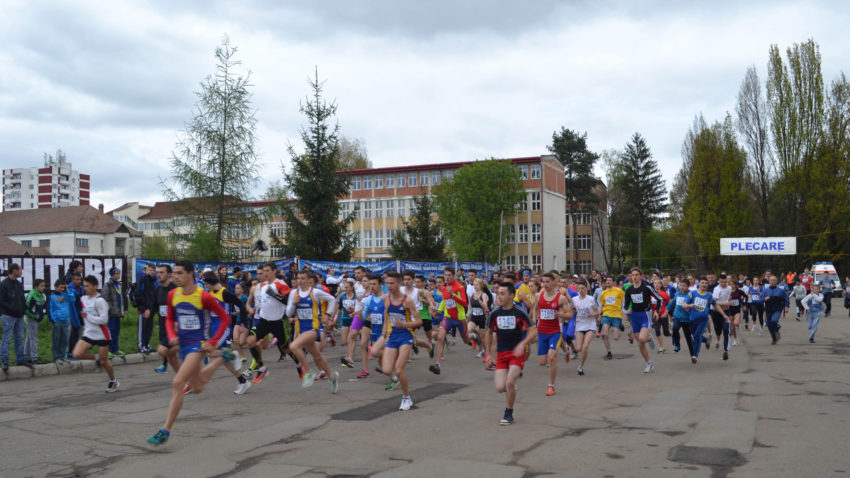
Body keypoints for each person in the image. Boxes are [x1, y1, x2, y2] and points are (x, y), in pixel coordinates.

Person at [146, 260, 233, 447]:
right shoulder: (173, 295)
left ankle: (165, 431)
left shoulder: (203, 296)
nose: (174, 276)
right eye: (173, 273)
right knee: (198, 386)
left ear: (190, 274)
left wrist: (212, 342)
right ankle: (220, 360)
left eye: (178, 273)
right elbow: (169, 318)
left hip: (198, 345)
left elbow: (226, 318)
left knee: (178, 383)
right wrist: (171, 336)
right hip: (183, 344)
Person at [487, 282, 536, 425]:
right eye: (498, 294)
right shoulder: (495, 313)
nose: (499, 296)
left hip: (516, 353)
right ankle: (512, 387)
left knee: (509, 382)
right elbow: (489, 332)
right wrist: (489, 354)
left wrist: (523, 343)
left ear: (511, 295)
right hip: (501, 354)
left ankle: (508, 413)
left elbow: (533, 330)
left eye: (502, 294)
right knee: (500, 387)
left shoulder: (519, 312)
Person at [285, 270, 339, 392]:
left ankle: (309, 372)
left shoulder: (315, 292)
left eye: (303, 278)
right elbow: (288, 313)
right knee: (317, 355)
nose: (300, 281)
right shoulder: (293, 293)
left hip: (315, 328)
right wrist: (294, 303)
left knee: (293, 346)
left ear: (310, 281)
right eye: (298, 278)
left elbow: (332, 300)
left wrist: (328, 315)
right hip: (302, 330)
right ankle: (332, 376)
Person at [379, 271, 422, 410]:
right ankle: (398, 383)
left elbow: (419, 321)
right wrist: (385, 330)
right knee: (386, 369)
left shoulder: (407, 301)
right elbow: (386, 315)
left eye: (392, 283)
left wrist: (405, 325)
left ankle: (406, 397)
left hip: (406, 336)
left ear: (399, 283)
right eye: (387, 283)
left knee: (398, 368)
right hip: (392, 336)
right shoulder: (385, 298)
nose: (389, 286)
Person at [72, 275, 119, 392]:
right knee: (77, 354)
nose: (85, 288)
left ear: (95, 286)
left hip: (102, 334)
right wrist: (84, 323)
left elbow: (104, 320)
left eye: (88, 286)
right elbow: (84, 314)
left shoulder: (100, 301)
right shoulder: (83, 299)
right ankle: (96, 357)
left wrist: (89, 317)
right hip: (89, 333)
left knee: (104, 362)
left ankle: (113, 380)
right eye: (84, 286)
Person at [429, 267, 468, 375]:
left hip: (460, 319)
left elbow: (465, 303)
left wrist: (453, 295)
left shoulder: (459, 287)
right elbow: (444, 301)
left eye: (449, 275)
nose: (447, 277)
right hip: (448, 317)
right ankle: (437, 364)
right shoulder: (444, 288)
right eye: (445, 275)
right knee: (440, 337)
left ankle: (474, 336)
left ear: (454, 276)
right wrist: (438, 310)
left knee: (466, 340)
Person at [623, 268, 664, 373]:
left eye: (637, 275)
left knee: (641, 339)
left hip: (645, 315)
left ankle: (648, 337)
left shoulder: (646, 288)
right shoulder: (629, 290)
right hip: (634, 317)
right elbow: (626, 304)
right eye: (633, 275)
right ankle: (649, 363)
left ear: (641, 276)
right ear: (630, 277)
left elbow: (660, 299)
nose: (635, 277)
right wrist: (627, 310)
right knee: (641, 343)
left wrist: (656, 311)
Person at [0, 263, 28, 372]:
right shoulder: (4, 284)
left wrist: (23, 308)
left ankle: (20, 359)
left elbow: (21, 298)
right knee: (6, 339)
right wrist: (12, 308)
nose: (21, 272)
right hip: (8, 316)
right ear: (14, 270)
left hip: (20, 316)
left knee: (19, 338)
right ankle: (4, 361)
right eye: (20, 270)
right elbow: (2, 301)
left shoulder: (19, 284)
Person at [154, 264, 179, 374]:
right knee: (170, 355)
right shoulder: (158, 289)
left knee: (163, 350)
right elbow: (157, 306)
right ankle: (187, 380)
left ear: (169, 274)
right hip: (163, 325)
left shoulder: (175, 290)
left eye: (161, 272)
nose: (158, 275)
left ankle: (196, 349)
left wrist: (177, 321)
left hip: (174, 327)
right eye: (158, 272)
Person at [682, 277, 715, 364]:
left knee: (697, 335)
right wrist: (688, 306)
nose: (704, 284)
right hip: (692, 320)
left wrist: (723, 314)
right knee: (696, 335)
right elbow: (684, 304)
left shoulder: (709, 296)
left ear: (707, 285)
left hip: (703, 320)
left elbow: (715, 304)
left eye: (706, 283)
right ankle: (706, 340)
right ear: (699, 284)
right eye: (702, 283)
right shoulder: (692, 293)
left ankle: (694, 355)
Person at [571, 280, 600, 376]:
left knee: (585, 346)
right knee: (578, 348)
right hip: (579, 325)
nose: (581, 290)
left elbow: (597, 312)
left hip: (590, 325)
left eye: (583, 288)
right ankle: (576, 353)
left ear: (587, 289)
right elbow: (573, 310)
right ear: (577, 289)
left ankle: (581, 366)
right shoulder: (574, 299)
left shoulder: (591, 299)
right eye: (579, 288)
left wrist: (591, 314)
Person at [100, 267, 127, 359]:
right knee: (110, 331)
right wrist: (110, 308)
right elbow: (104, 298)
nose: (118, 275)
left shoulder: (118, 284)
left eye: (119, 273)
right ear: (112, 274)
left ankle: (115, 349)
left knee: (116, 332)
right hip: (111, 313)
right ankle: (108, 350)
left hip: (117, 313)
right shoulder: (108, 285)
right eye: (117, 273)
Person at [338, 278, 363, 368]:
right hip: (345, 319)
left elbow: (359, 305)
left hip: (353, 318)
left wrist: (353, 309)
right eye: (345, 287)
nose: (346, 289)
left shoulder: (356, 296)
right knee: (345, 341)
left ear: (352, 288)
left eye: (347, 287)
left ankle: (349, 358)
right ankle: (348, 357)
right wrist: (335, 318)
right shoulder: (342, 296)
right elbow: (339, 308)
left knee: (351, 339)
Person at [599, 276, 625, 360]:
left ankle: (620, 326)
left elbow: (624, 301)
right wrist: (599, 315)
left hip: (616, 315)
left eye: (610, 280)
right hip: (606, 315)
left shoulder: (619, 291)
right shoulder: (603, 293)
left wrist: (624, 313)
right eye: (607, 280)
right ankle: (608, 352)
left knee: (616, 338)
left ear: (614, 282)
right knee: (605, 334)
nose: (608, 282)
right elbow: (602, 305)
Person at [668, 278, 695, 358]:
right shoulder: (677, 293)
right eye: (681, 285)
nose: (682, 287)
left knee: (688, 338)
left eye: (684, 286)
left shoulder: (691, 295)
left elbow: (694, 306)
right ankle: (677, 345)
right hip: (677, 316)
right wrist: (667, 310)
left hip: (687, 319)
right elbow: (672, 302)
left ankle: (693, 355)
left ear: (688, 286)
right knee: (675, 329)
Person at [134, 265, 158, 354]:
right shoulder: (143, 280)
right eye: (151, 270)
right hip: (143, 309)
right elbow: (138, 294)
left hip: (151, 310)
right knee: (142, 328)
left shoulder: (154, 282)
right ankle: (141, 346)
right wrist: (145, 308)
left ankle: (147, 344)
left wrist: (154, 309)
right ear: (147, 271)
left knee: (149, 328)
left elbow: (154, 297)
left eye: (154, 270)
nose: (152, 272)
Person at [24, 278, 47, 364]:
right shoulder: (32, 294)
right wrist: (35, 316)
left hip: (36, 320)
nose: (43, 287)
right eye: (42, 286)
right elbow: (26, 309)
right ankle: (35, 358)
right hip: (30, 319)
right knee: (33, 338)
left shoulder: (41, 295)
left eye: (44, 286)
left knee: (29, 338)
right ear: (36, 286)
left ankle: (26, 357)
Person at [49, 279, 72, 363]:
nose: (62, 289)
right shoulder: (52, 297)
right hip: (57, 321)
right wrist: (53, 319)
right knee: (56, 340)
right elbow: (50, 308)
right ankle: (56, 357)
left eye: (63, 287)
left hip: (65, 321)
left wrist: (67, 290)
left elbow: (72, 299)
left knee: (64, 340)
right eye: (61, 287)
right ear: (55, 287)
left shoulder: (65, 295)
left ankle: (62, 357)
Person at [764, 275, 791, 345]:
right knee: (769, 325)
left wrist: (786, 306)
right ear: (769, 281)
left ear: (776, 282)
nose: (772, 282)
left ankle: (776, 329)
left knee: (774, 321)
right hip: (768, 309)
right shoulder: (766, 291)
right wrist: (764, 299)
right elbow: (761, 299)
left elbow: (786, 298)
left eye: (774, 280)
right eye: (771, 280)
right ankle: (774, 338)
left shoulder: (781, 291)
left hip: (777, 309)